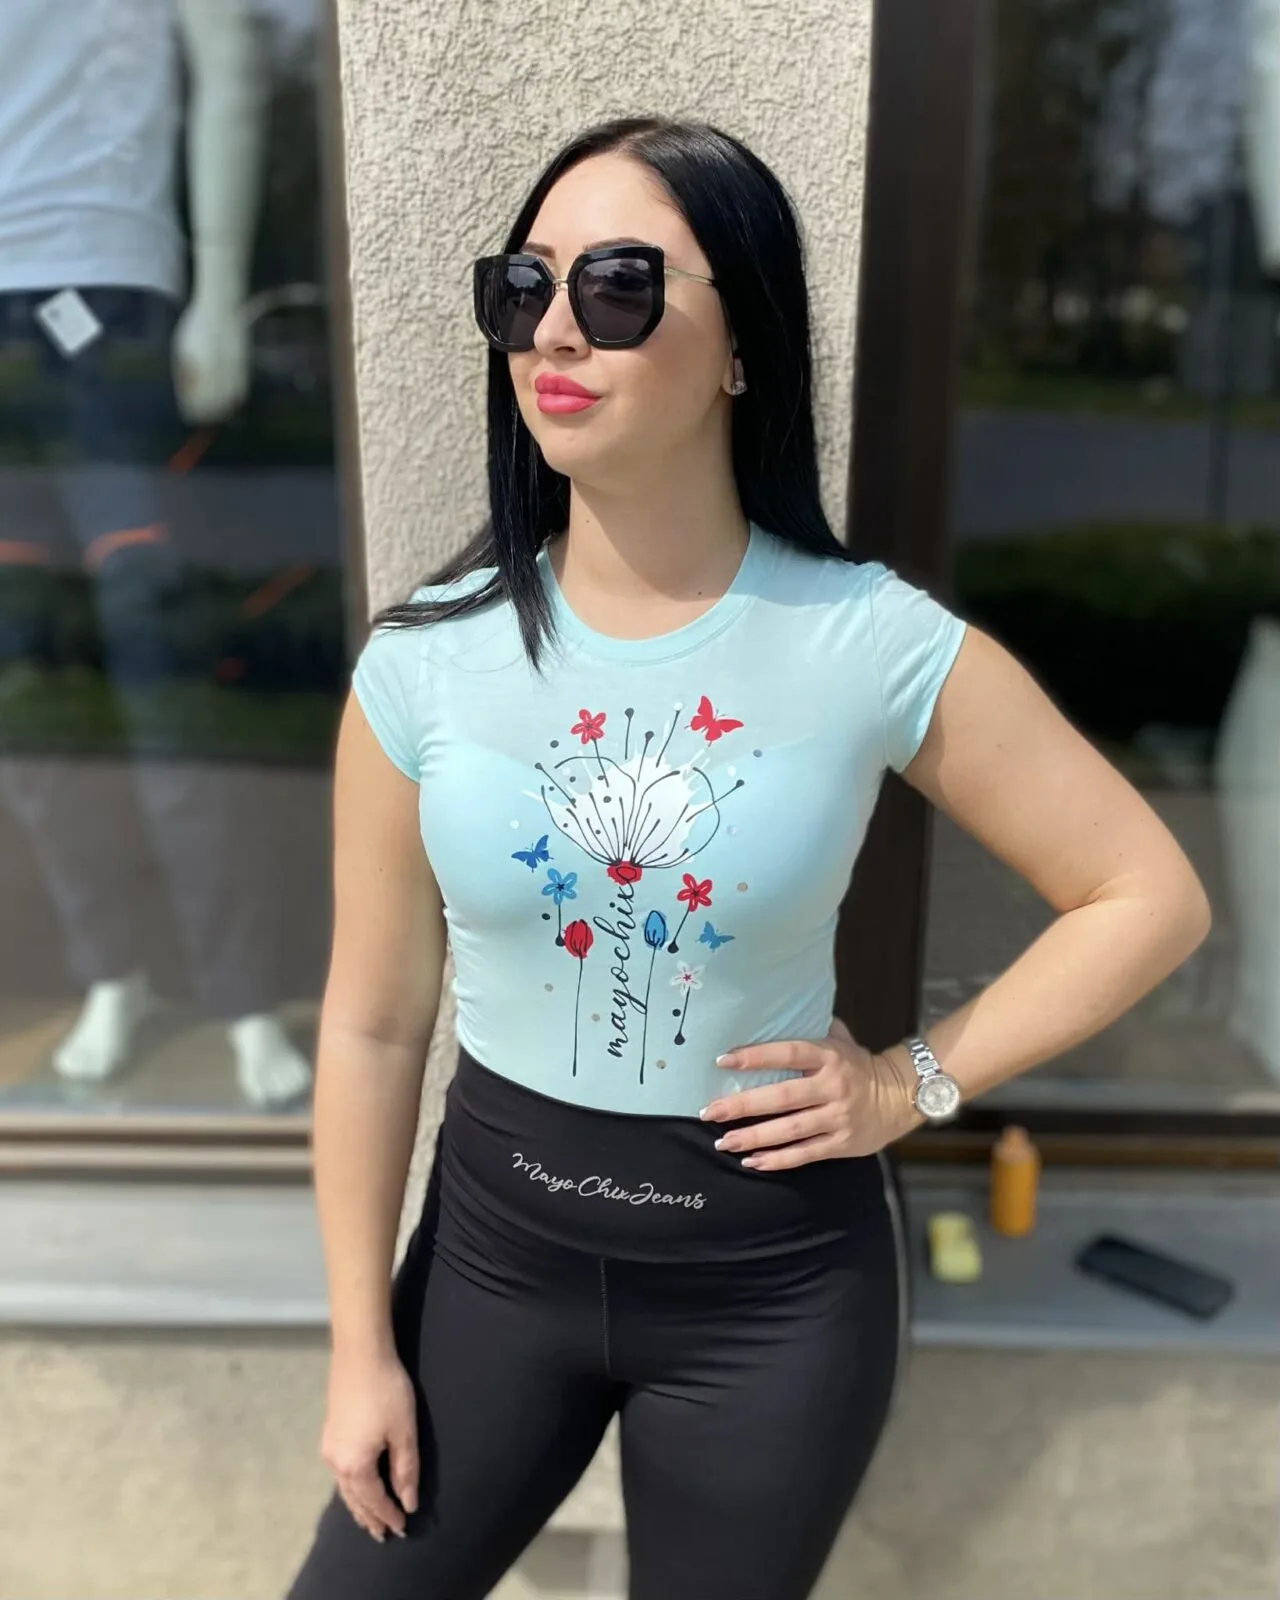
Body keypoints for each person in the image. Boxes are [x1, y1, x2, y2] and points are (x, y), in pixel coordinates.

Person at [285, 117, 1211, 1600]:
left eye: (620, 286)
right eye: (523, 288)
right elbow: (374, 1024)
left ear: (742, 345)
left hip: (770, 1302)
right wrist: (355, 1351)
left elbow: (1146, 896)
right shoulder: (423, 663)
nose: (556, 332)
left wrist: (912, 1082)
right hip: (487, 1274)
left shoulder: (865, 640)